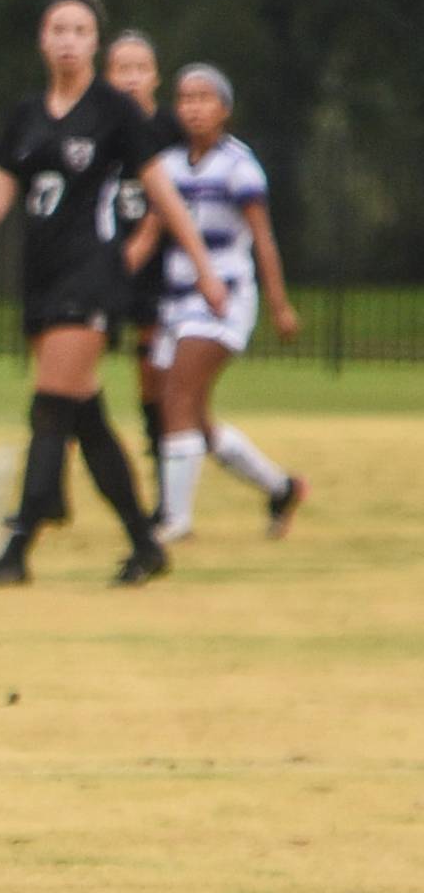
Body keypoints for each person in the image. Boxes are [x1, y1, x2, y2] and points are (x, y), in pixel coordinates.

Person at [0, 0, 227, 587]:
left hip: (92, 275)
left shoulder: (115, 111)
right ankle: (145, 543)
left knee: (50, 405)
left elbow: (162, 192)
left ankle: (22, 540)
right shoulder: (27, 115)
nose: (68, 39)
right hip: (40, 278)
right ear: (42, 40)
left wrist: (204, 266)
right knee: (84, 416)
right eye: (58, 29)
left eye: (80, 30)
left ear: (95, 42)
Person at [143, 64, 306, 541]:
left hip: (221, 299)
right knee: (194, 418)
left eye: (204, 98)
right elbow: (150, 234)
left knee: (176, 397)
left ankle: (175, 520)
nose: (193, 107)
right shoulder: (168, 164)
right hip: (176, 301)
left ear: (225, 109)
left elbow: (263, 239)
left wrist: (279, 304)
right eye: (185, 98)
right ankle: (280, 488)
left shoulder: (239, 166)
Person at [101, 30, 188, 516]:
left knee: (153, 377)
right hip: (106, 264)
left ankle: (164, 492)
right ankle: (50, 485)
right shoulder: (99, 126)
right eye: (121, 69)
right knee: (74, 373)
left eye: (140, 68)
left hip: (157, 272)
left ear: (155, 75)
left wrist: (146, 239)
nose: (131, 77)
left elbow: (170, 198)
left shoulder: (169, 131)